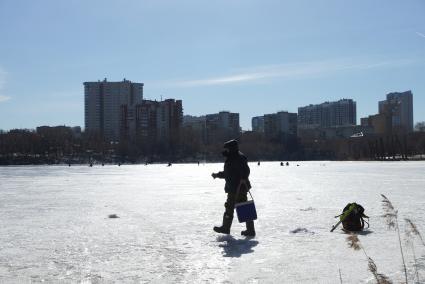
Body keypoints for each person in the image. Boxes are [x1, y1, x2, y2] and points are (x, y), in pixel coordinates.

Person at [212, 139, 256, 237]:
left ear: (231, 148)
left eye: (227, 148)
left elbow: (246, 170)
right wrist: (218, 175)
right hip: (235, 187)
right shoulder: (232, 157)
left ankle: (226, 228)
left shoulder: (238, 157)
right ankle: (249, 230)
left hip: (237, 188)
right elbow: (229, 174)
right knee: (241, 207)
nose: (225, 150)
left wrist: (243, 178)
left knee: (232, 207)